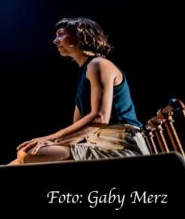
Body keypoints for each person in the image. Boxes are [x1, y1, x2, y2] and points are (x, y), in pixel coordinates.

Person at [10, 17, 148, 165]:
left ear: (81, 35)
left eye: (60, 34)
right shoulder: (86, 73)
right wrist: (48, 143)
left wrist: (50, 139)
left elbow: (100, 117)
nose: (55, 41)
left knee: (27, 154)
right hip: (95, 142)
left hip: (121, 145)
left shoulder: (98, 64)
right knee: (21, 159)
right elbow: (77, 130)